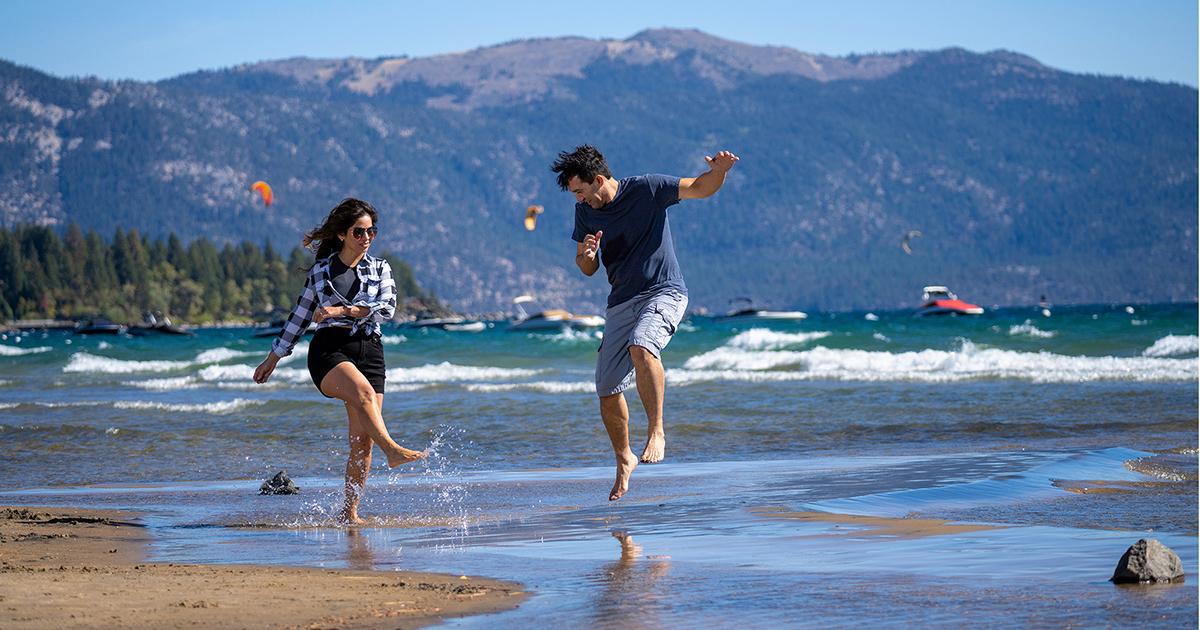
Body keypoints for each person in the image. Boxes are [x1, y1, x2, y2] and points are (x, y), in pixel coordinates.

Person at [552, 145, 740, 500]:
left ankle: (657, 431)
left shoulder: (647, 189)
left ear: (598, 180)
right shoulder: (585, 212)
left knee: (642, 345)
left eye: (580, 191)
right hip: (621, 302)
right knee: (607, 388)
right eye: (575, 194)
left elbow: (699, 188)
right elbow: (586, 266)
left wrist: (720, 172)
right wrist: (587, 256)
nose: (578, 199)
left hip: (663, 291)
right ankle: (624, 458)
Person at [253, 198, 426, 524]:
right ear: (343, 234)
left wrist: (342, 310)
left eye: (371, 231)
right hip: (329, 350)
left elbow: (387, 308)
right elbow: (299, 317)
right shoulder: (321, 272)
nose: (366, 238)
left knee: (362, 441)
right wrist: (272, 359)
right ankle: (393, 450)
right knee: (363, 394)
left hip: (370, 350)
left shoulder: (381, 268)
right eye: (359, 232)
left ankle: (349, 514)